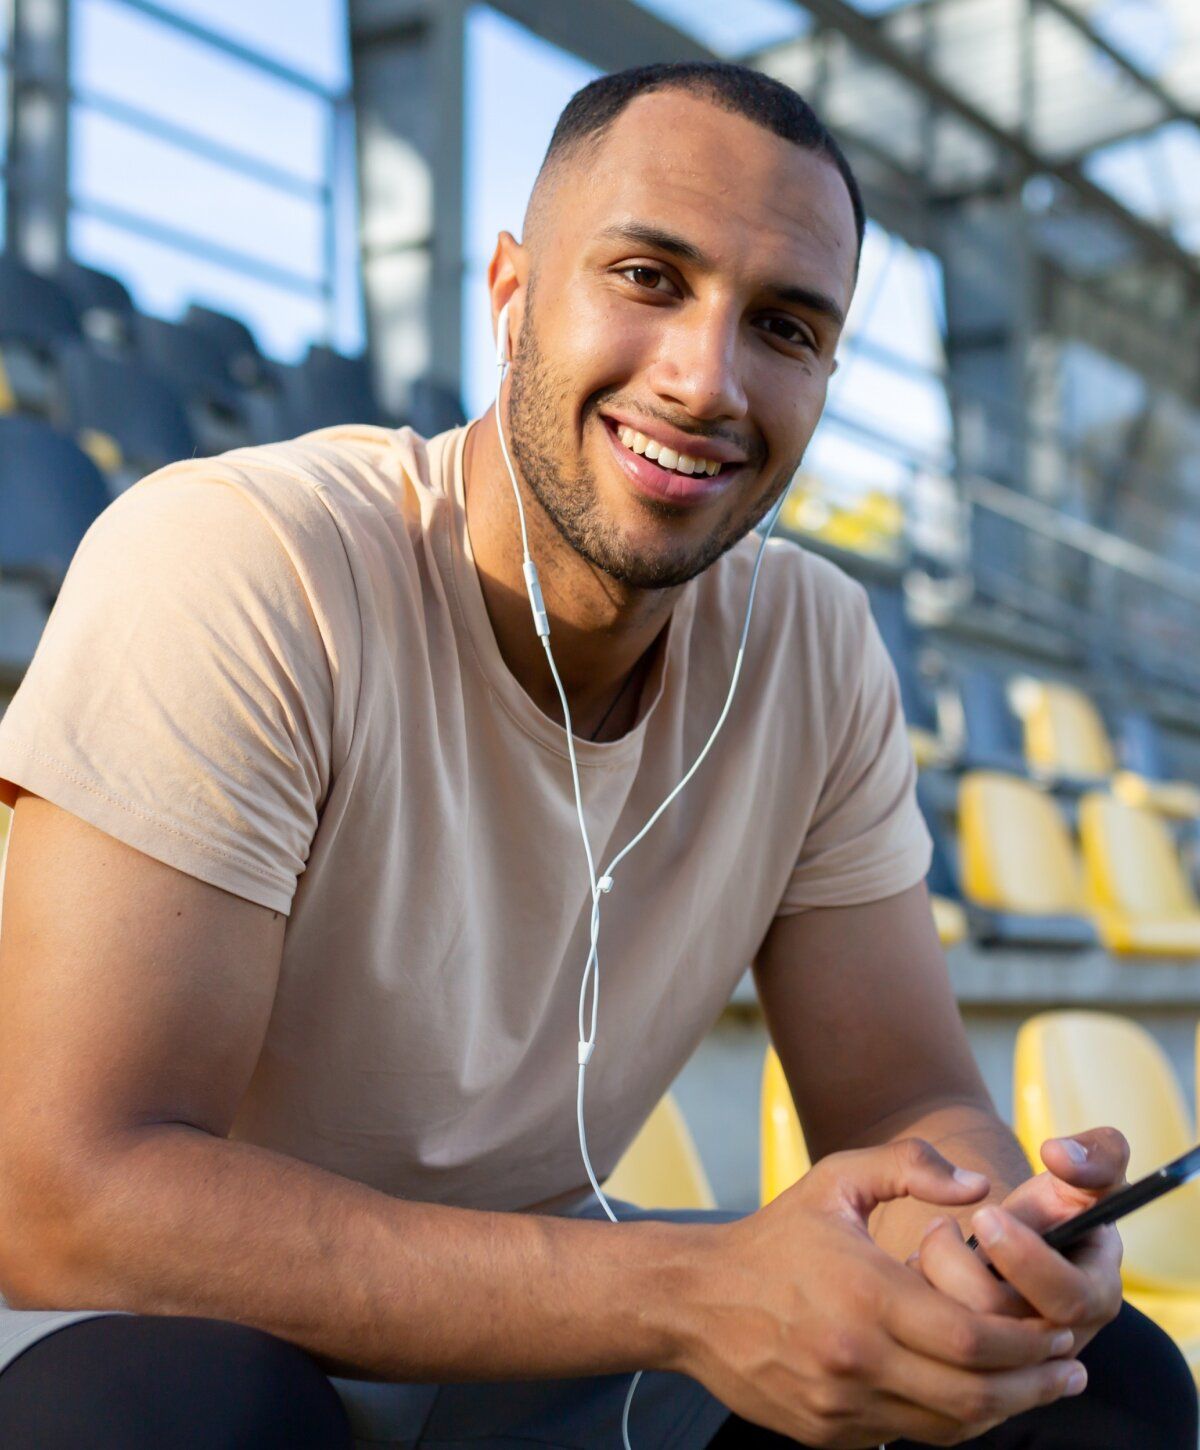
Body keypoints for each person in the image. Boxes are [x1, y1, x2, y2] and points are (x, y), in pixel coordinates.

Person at [0, 60, 1193, 1450]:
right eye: (647, 275)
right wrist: (691, 1289)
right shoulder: (244, 563)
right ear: (509, 291)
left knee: (1085, 1390)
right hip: (158, 1328)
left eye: (788, 327)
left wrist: (998, 1242)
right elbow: (71, 1193)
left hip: (525, 1345)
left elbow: (909, 1103)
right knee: (181, 1413)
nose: (707, 379)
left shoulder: (815, 647)